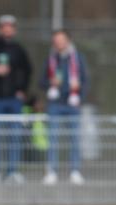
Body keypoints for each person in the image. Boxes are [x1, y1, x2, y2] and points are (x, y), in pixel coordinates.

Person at [0, 14, 32, 184]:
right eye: (4, 27)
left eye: (10, 27)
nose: (7, 30)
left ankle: (12, 171)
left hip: (14, 99)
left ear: (14, 30)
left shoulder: (19, 50)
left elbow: (27, 70)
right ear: (0, 29)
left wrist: (22, 90)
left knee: (15, 136)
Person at [40, 30, 88, 186]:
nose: (59, 43)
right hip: (55, 104)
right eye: (56, 40)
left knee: (74, 138)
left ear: (68, 41)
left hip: (73, 103)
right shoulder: (51, 59)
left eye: (62, 40)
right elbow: (41, 81)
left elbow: (85, 80)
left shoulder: (77, 58)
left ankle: (75, 171)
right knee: (52, 138)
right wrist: (50, 84)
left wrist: (80, 97)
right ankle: (51, 171)